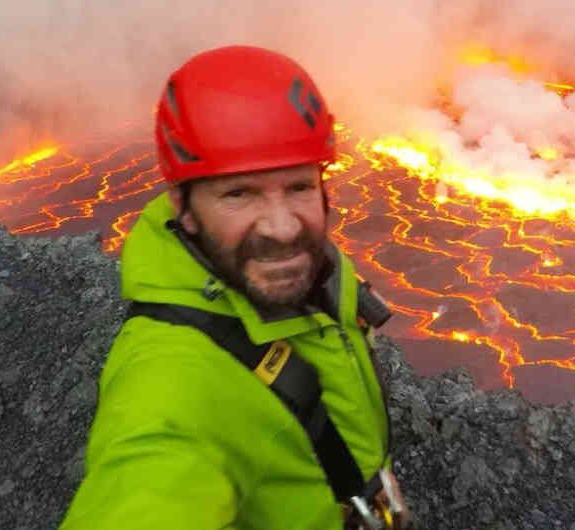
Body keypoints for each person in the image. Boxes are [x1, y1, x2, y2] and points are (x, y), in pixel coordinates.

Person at [60, 45, 410, 529]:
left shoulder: (311, 270)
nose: (282, 227)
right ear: (182, 206)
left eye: (299, 187)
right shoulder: (171, 385)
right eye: (238, 193)